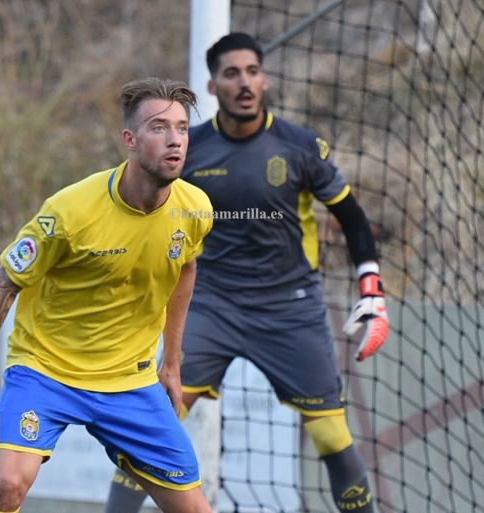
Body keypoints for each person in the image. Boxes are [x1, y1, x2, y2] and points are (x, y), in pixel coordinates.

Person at [104, 33, 388, 513]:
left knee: (331, 434)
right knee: (152, 427)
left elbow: (353, 217)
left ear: (265, 80)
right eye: (231, 73)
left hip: (290, 307)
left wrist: (372, 289)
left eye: (252, 72)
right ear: (212, 86)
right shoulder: (188, 149)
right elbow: (145, 215)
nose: (244, 83)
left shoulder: (300, 146)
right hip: (210, 303)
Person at [0, 77, 214, 513]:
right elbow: (5, 282)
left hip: (129, 381)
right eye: (159, 127)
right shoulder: (70, 212)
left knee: (194, 510)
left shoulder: (195, 208)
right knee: (8, 483)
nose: (175, 139)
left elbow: (185, 268)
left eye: (181, 128)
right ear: (130, 139)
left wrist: (172, 362)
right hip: (46, 370)